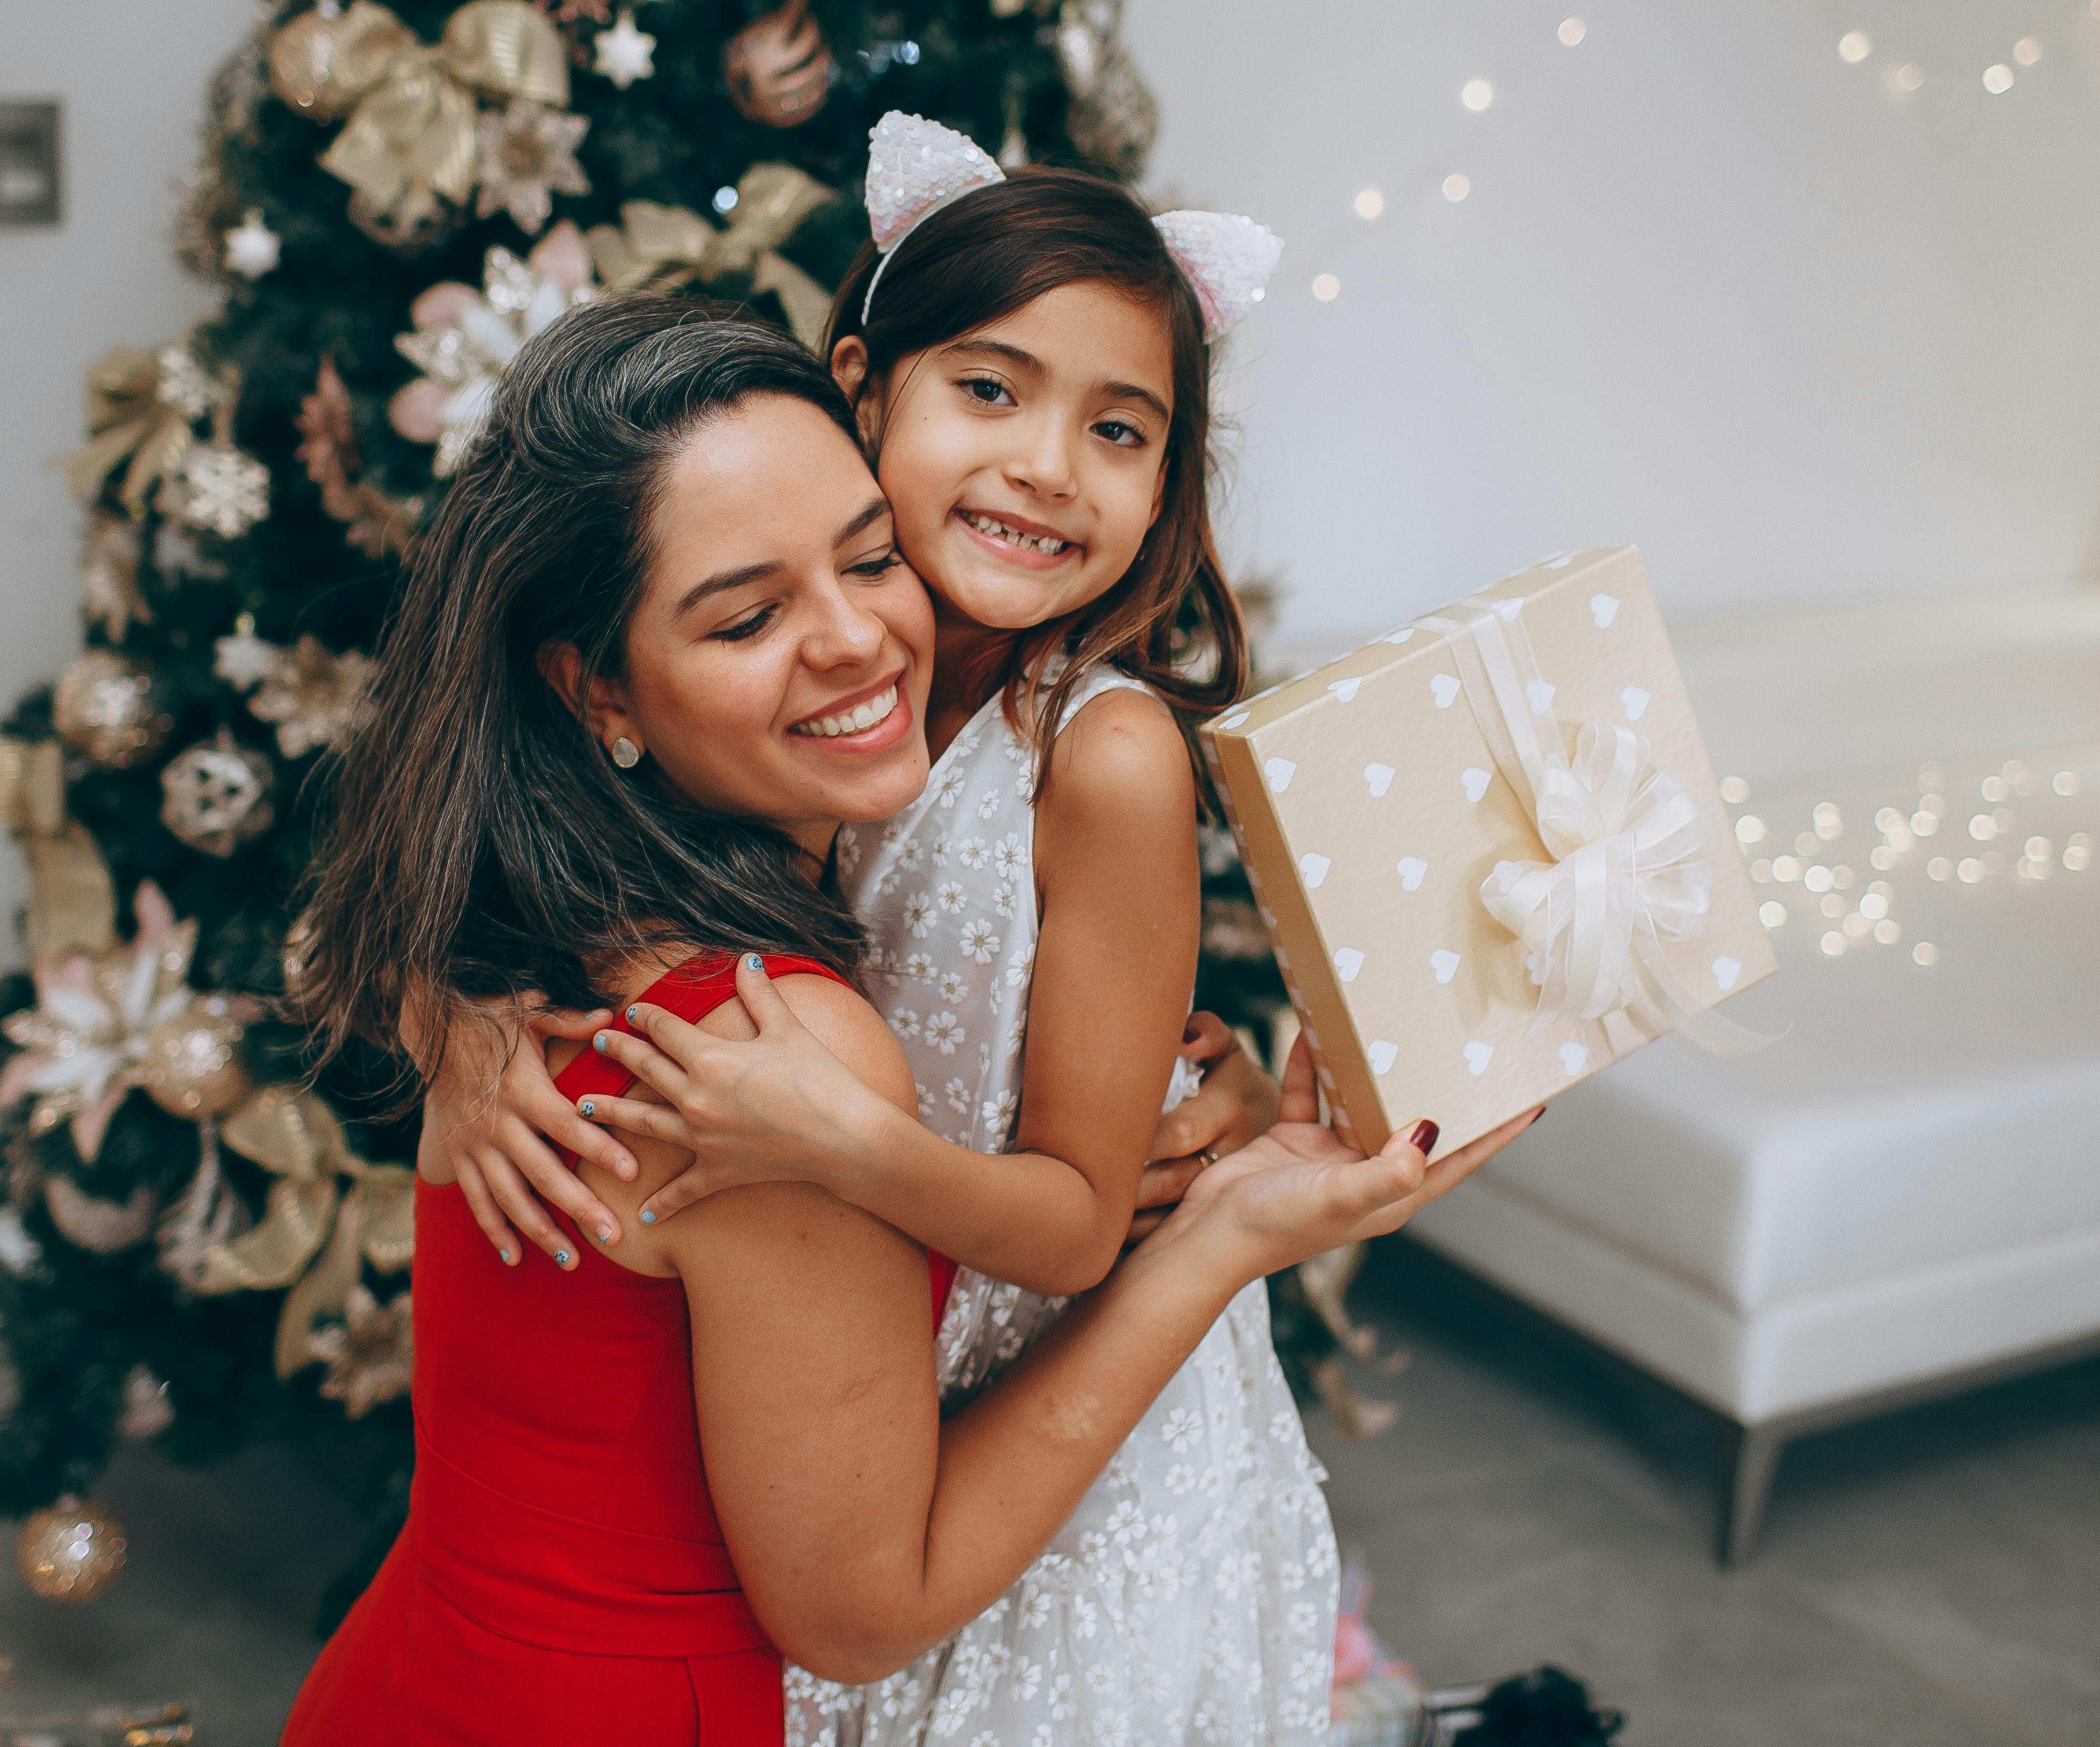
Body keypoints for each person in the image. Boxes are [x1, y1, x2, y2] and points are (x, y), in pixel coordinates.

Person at [282, 301, 1531, 1745]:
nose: (860, 641)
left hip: (409, 1679)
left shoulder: (521, 925)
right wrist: (1230, 1234)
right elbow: (864, 1615)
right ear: (596, 688)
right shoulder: (768, 1061)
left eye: (874, 557)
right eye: (746, 617)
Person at [448, 117, 1349, 1741]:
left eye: (1122, 431)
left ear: (1168, 486)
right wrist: (456, 1021)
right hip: (882, 1377)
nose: (1045, 467)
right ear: (863, 391)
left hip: (1067, 1388)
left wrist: (842, 1147)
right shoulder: (849, 681)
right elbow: (483, 843)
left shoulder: (1107, 749)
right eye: (989, 391)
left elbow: (1079, 1223)